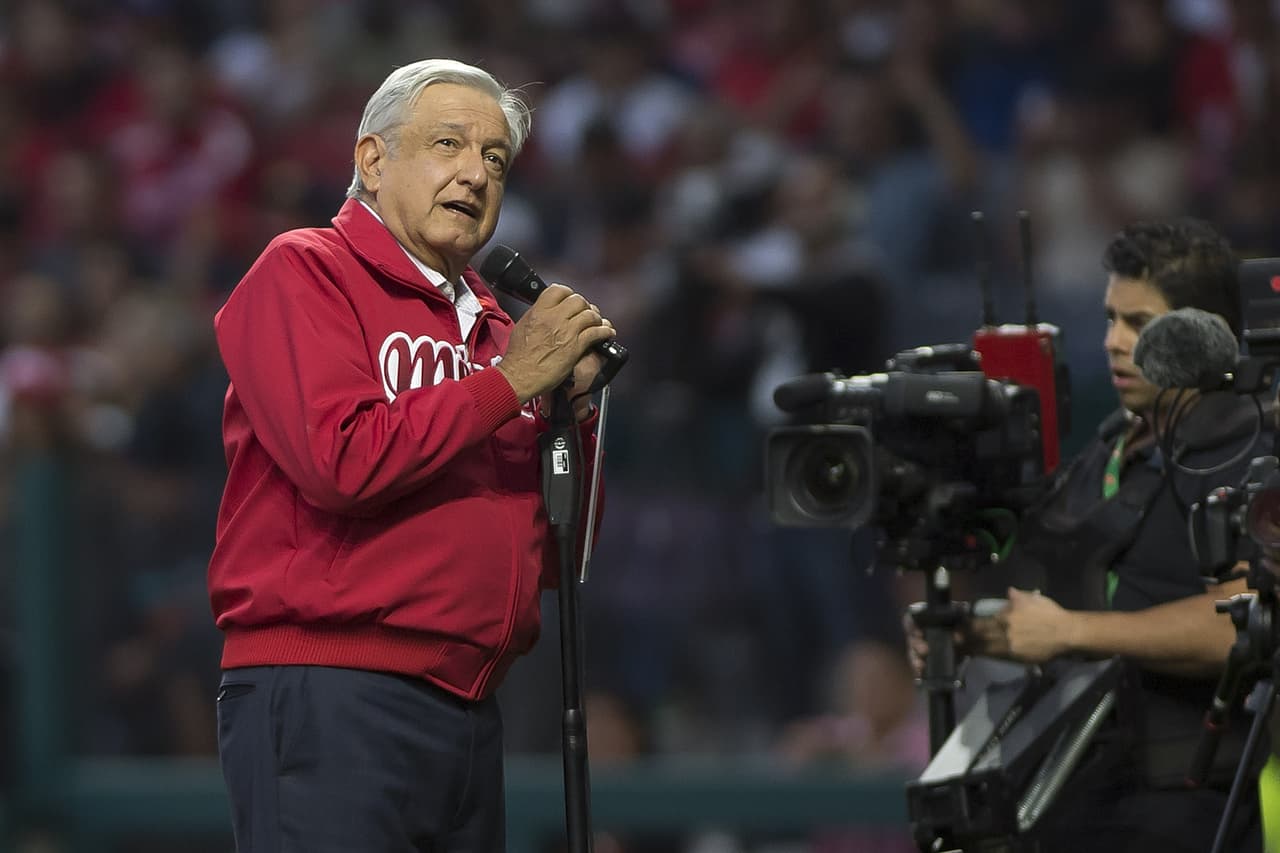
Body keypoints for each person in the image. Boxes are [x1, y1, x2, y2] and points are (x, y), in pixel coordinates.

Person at [206, 58, 617, 852]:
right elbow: (341, 459)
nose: (474, 172)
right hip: (332, 687)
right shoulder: (304, 268)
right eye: (448, 144)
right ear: (372, 159)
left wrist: (576, 416)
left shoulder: (502, 331)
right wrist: (511, 381)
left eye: (495, 159)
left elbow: (560, 555)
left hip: (468, 705)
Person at [909, 219, 1267, 853]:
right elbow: (1079, 605)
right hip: (1071, 795)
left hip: (1186, 810)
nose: (1113, 342)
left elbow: (1246, 623)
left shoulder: (1243, 449)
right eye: (1110, 319)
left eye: (1140, 324)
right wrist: (973, 633)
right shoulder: (1107, 447)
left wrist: (1070, 632)